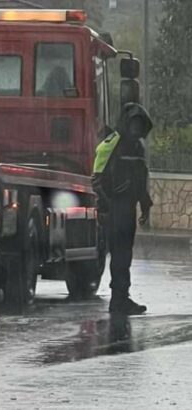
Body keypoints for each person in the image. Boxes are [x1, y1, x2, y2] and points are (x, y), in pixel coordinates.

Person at [92, 103, 153, 315]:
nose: (136, 129)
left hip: (128, 208)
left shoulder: (138, 147)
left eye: (140, 124)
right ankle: (118, 299)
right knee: (119, 255)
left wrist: (145, 205)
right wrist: (104, 205)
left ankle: (122, 297)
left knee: (124, 255)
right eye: (133, 123)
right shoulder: (113, 143)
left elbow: (140, 179)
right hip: (115, 207)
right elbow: (97, 177)